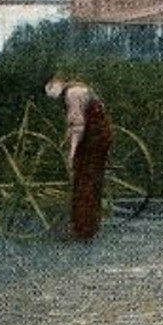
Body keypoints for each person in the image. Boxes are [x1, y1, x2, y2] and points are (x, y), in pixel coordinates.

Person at [46, 77, 113, 240]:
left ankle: (82, 229)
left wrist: (72, 154)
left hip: (93, 138)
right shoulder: (76, 89)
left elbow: (78, 127)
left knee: (85, 183)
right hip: (96, 135)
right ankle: (86, 226)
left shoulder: (73, 94)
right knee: (88, 182)